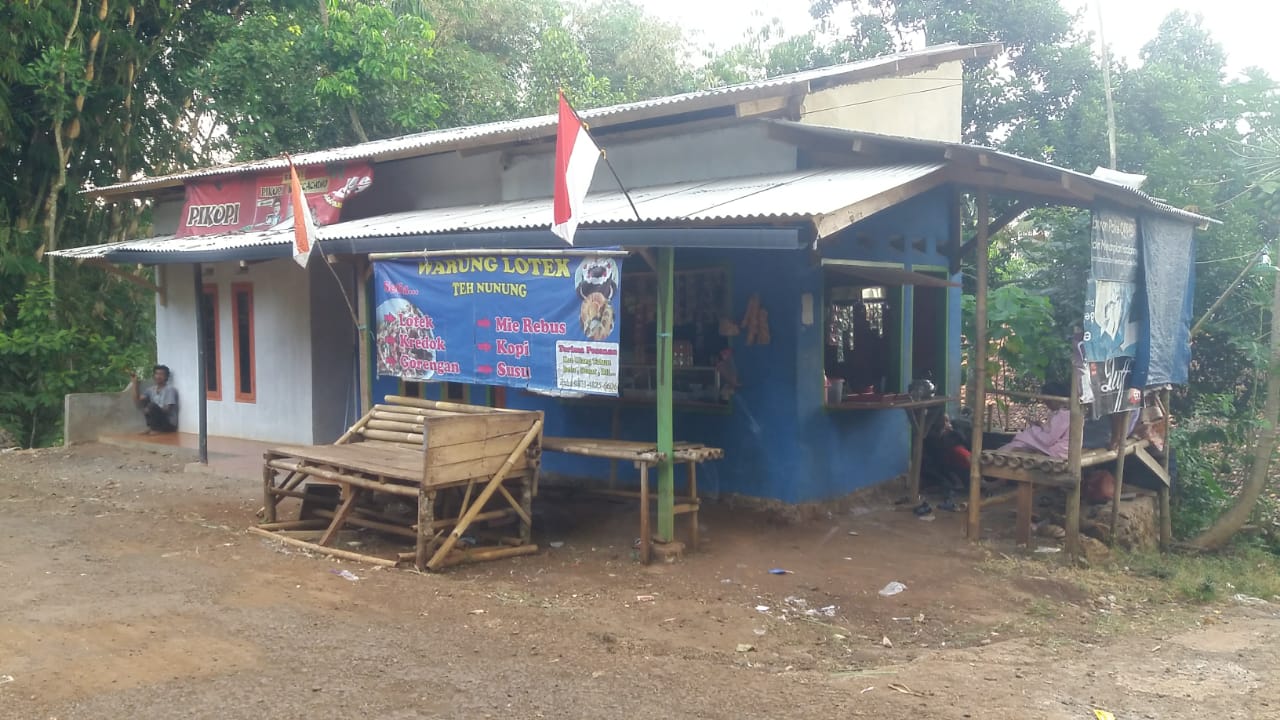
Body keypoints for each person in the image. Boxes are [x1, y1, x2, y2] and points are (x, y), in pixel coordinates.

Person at [998, 380, 1071, 458]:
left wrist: (1034, 430)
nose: (1046, 404)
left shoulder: (1064, 415)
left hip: (1056, 451)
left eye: (1048, 401)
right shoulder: (1061, 413)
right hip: (1054, 448)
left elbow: (1048, 440)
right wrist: (1040, 425)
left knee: (1015, 446)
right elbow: (1051, 431)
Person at [131, 365, 178, 434]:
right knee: (145, 404)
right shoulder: (150, 389)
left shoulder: (170, 389)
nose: (158, 376)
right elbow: (137, 400)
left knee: (151, 406)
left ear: (166, 377)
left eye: (161, 374)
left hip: (169, 424)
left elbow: (167, 409)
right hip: (158, 420)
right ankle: (152, 428)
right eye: (157, 374)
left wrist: (150, 409)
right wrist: (135, 383)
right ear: (154, 376)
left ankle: (157, 429)